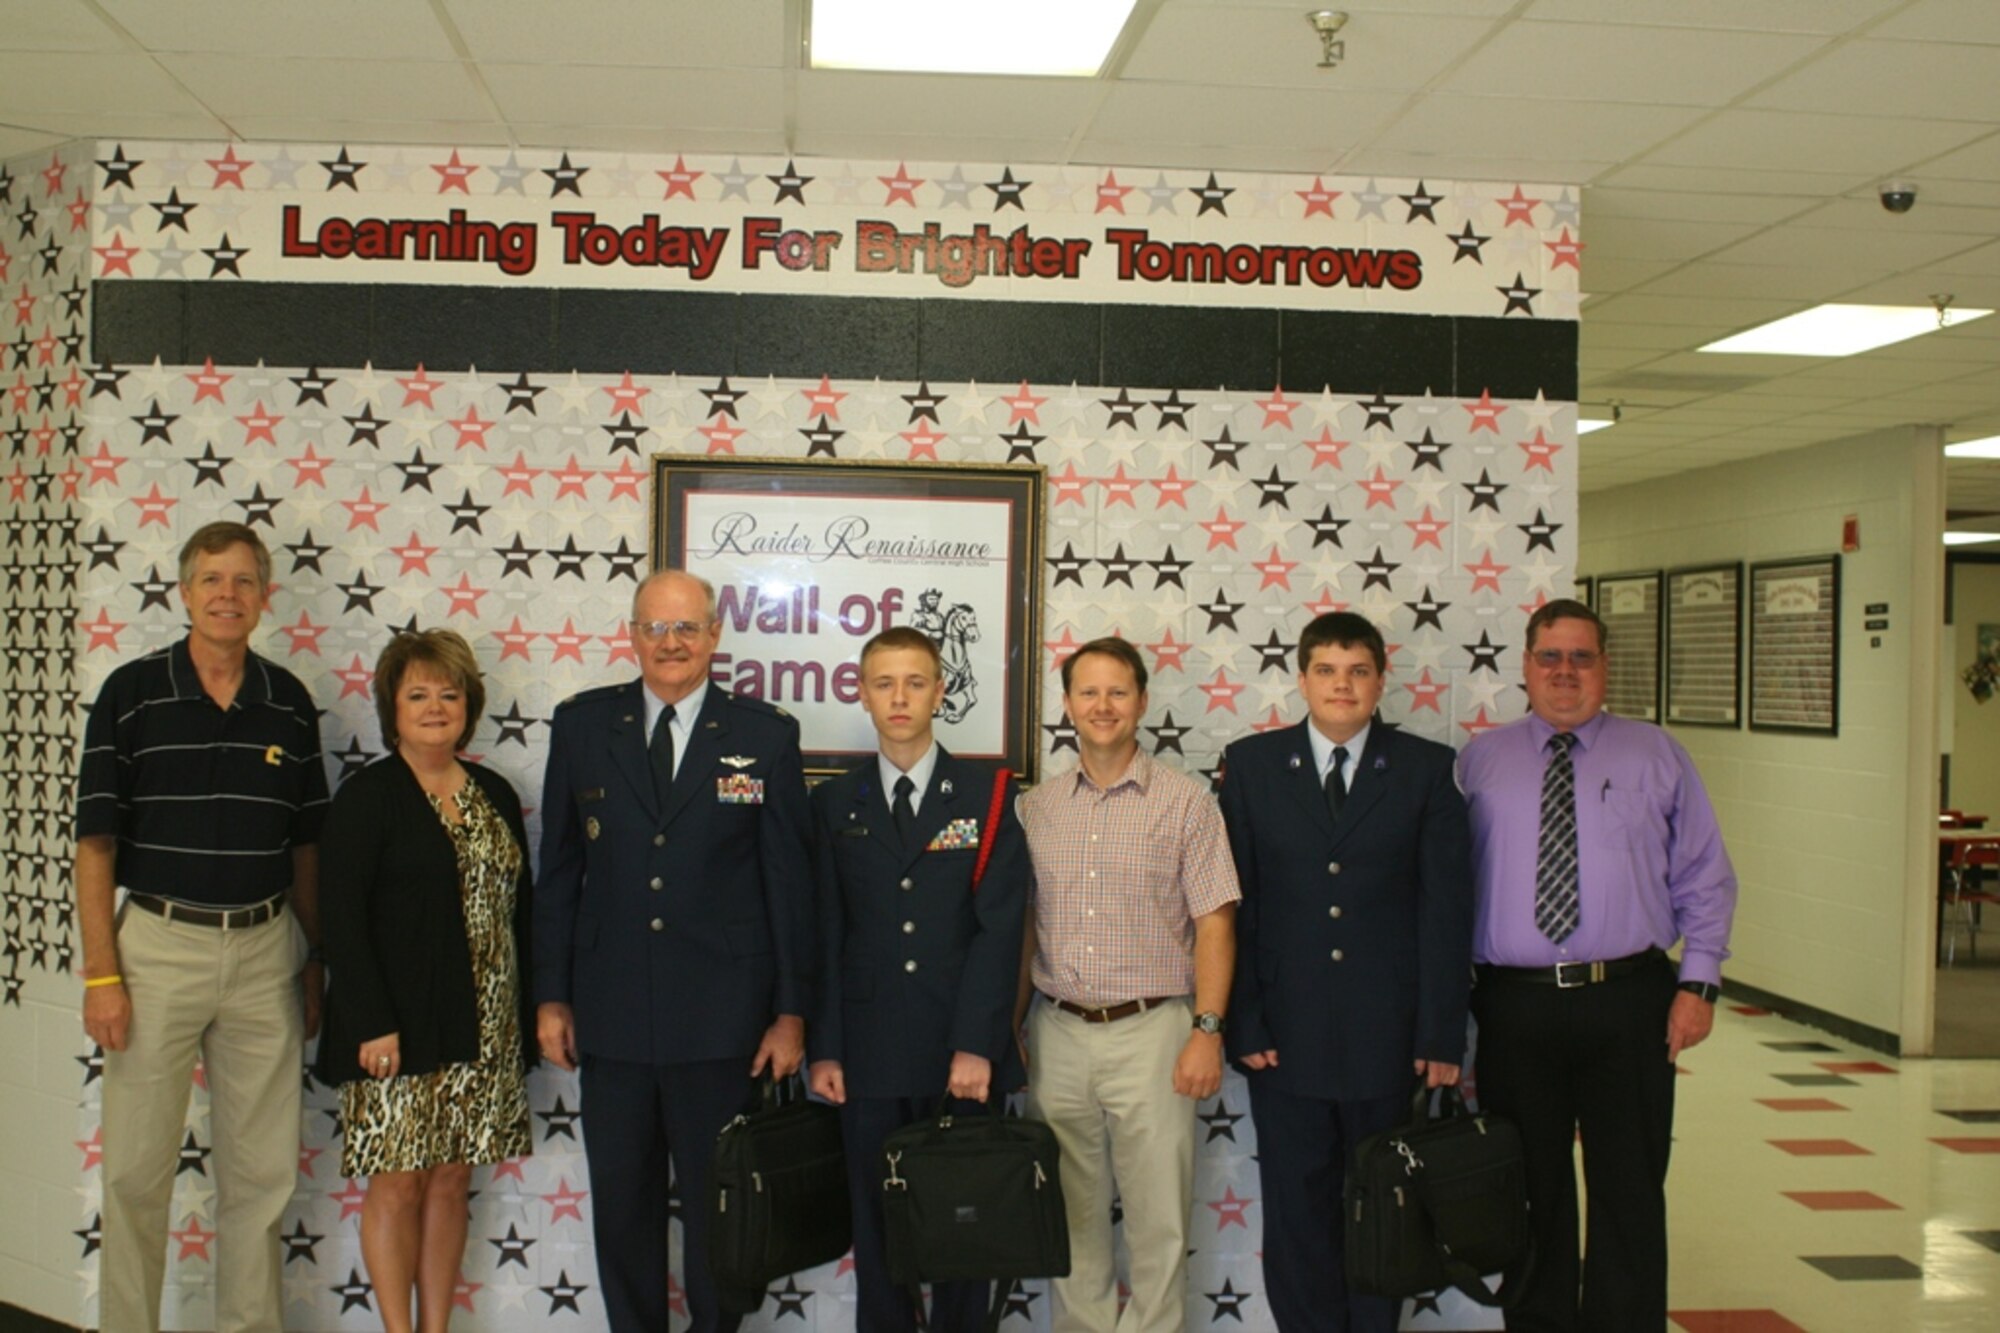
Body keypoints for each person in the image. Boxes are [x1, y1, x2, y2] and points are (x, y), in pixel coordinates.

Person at [534, 568, 813, 1333]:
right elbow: (558, 869)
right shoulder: (585, 726)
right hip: (611, 1013)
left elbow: (788, 885)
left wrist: (790, 1011)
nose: (671, 643)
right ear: (631, 635)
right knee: (622, 1204)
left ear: (716, 636)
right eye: (655, 628)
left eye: (687, 627)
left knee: (721, 1209)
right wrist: (550, 994)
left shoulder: (763, 735)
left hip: (724, 1020)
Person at [74, 521, 329, 1333]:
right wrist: (102, 973)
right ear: (184, 592)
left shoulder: (287, 701)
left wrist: (314, 962)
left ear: (265, 597)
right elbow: (95, 842)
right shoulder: (131, 692)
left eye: (244, 581)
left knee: (261, 1178)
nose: (228, 594)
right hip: (156, 948)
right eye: (212, 579)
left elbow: (308, 846)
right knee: (134, 1177)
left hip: (266, 951)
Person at [1457, 598, 1738, 1331]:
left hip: (1631, 999)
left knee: (1630, 1189)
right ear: (1525, 665)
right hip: (1514, 1006)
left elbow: (1706, 875)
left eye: (1582, 656)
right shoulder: (1479, 762)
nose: (1565, 671)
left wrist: (1698, 984)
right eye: (1550, 656)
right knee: (1531, 1190)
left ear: (1604, 666)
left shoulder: (1656, 755)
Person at [1220, 611, 1473, 1333]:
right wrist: (1246, 1018)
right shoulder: (1252, 766)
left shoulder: (1426, 769)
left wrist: (1441, 1034)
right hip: (1284, 1039)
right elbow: (1236, 907)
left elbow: (1445, 912)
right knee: (1298, 1214)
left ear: (1380, 679)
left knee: (1383, 1209)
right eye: (1327, 670)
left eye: (1358, 670)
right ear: (1301, 679)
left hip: (1388, 1038)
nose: (1342, 685)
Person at [807, 626, 1029, 1333]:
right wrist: (828, 1047)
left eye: (915, 681)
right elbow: (826, 933)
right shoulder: (834, 803)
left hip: (955, 1052)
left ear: (940, 690)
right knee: (878, 1231)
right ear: (862, 693)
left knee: (964, 1229)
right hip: (868, 1053)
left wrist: (977, 1045)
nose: (899, 697)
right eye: (884, 683)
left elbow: (1000, 930)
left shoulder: (989, 794)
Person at [1016, 636, 1240, 1333]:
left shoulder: (1187, 802)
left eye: (1118, 691)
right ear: (1068, 705)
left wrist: (1206, 1030)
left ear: (1141, 701)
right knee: (1071, 1218)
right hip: (1057, 1032)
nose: (1103, 705)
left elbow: (1215, 923)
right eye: (1089, 692)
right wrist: (1012, 1023)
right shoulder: (1038, 808)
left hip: (1155, 1031)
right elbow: (1025, 926)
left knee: (1158, 1222)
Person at [317, 629, 535, 1333]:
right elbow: (340, 921)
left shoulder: (497, 792)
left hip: (486, 1025)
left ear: (469, 704)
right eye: (418, 693)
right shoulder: (367, 796)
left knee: (450, 1179)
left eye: (449, 692)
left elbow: (520, 912)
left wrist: (528, 1016)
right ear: (391, 706)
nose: (436, 706)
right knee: (399, 1180)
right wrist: (369, 1019)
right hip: (395, 1026)